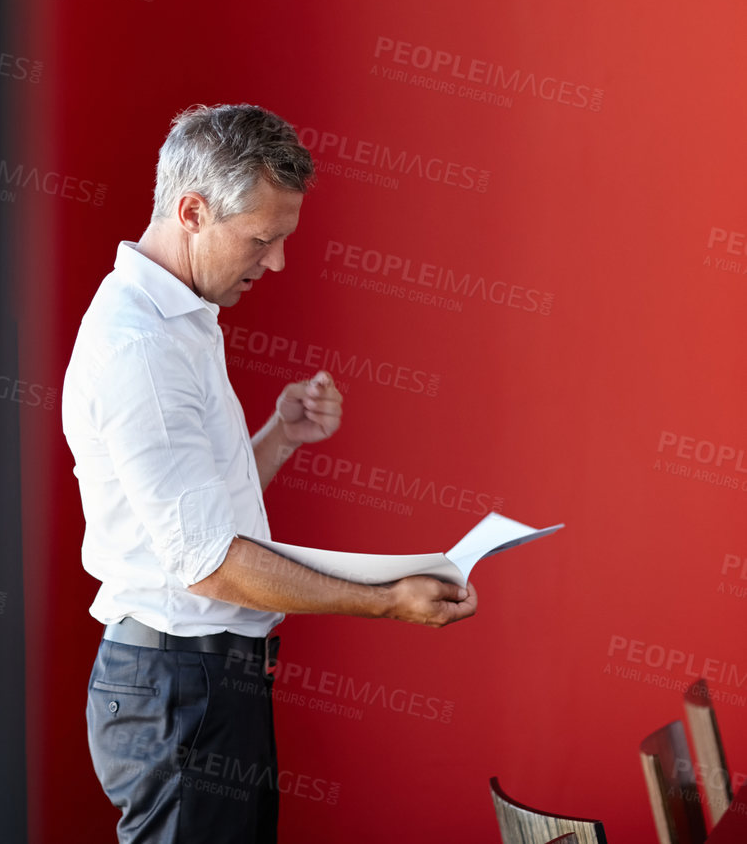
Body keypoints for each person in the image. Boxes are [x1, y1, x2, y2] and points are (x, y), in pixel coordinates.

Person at [63, 103, 477, 843]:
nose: (276, 262)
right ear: (191, 211)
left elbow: (197, 520)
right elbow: (211, 564)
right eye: (262, 238)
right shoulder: (143, 351)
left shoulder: (181, 321)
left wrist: (279, 437)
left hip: (201, 684)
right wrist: (386, 603)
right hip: (182, 690)